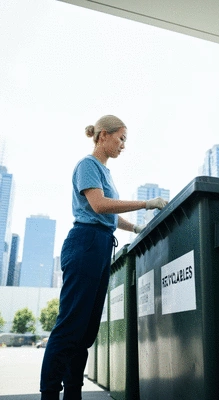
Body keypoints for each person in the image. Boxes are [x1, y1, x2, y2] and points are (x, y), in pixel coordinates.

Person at [40, 115, 168, 400]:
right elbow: (99, 205)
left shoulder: (105, 173)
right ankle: (49, 394)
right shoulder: (88, 165)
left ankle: (73, 393)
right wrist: (146, 203)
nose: (124, 145)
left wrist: (134, 227)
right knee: (70, 326)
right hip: (85, 244)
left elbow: (108, 211)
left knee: (85, 333)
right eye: (121, 138)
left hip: (99, 247)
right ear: (103, 136)